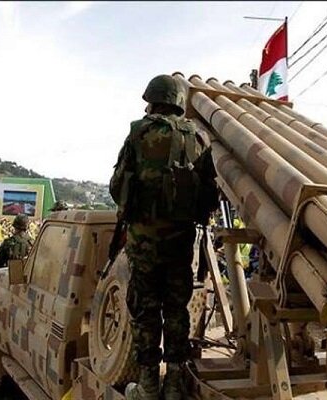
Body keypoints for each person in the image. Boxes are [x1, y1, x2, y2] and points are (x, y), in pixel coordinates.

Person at [110, 74, 219, 400]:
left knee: (145, 311)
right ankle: (173, 384)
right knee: (176, 309)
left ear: (153, 100)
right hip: (181, 241)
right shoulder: (200, 138)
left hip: (144, 241)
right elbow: (209, 196)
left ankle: (147, 385)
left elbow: (118, 187)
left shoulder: (138, 134)